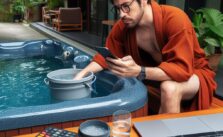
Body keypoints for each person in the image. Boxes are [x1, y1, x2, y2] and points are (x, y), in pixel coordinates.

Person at [75, 0, 217, 113]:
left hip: (193, 74)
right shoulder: (123, 27)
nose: (121, 14)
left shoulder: (175, 18)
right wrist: (78, 78)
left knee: (170, 88)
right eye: (117, 8)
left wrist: (140, 71)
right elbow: (103, 59)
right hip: (157, 77)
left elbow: (182, 70)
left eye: (126, 6)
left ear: (143, 1)